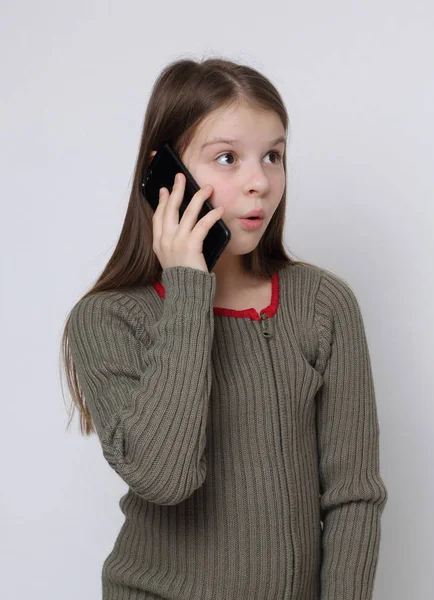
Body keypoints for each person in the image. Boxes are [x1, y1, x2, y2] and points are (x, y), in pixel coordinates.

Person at [60, 56, 388, 600]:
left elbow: (353, 496)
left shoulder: (323, 305)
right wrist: (189, 286)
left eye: (273, 156)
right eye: (228, 158)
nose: (259, 181)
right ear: (166, 174)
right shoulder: (108, 319)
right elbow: (166, 478)